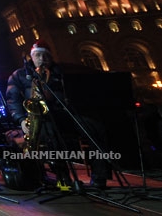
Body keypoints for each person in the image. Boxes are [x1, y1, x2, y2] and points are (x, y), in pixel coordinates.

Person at [6, 40, 111, 189]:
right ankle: (63, 178)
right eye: (38, 55)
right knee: (51, 134)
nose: (42, 59)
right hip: (41, 120)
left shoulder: (60, 72)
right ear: (31, 57)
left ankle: (100, 178)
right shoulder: (20, 75)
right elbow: (12, 100)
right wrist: (21, 120)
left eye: (45, 55)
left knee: (95, 128)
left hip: (65, 114)